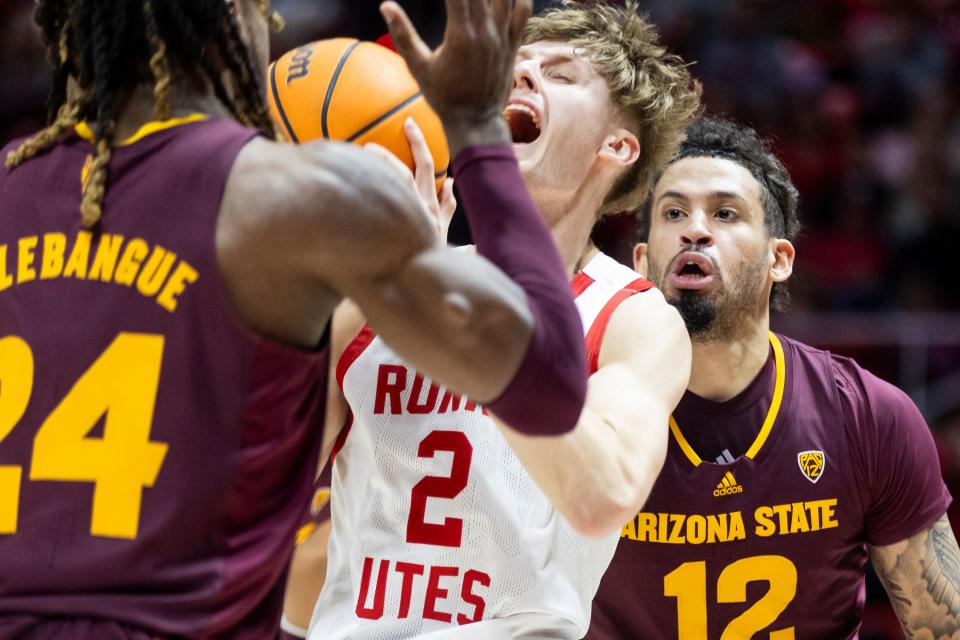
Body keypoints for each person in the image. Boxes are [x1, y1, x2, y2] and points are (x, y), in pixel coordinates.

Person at [0, 0, 595, 636]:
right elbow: (551, 385)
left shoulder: (9, 185)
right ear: (234, 15)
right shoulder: (296, 197)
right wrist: (476, 126)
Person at [292, 2, 701, 638]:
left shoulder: (634, 319)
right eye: (515, 68)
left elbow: (600, 496)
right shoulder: (378, 292)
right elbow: (255, 491)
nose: (523, 78)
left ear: (616, 146)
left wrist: (454, 330)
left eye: (562, 75)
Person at [587, 117, 960, 639]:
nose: (695, 229)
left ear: (778, 259)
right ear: (643, 261)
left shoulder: (869, 416)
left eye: (725, 212)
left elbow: (942, 628)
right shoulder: (581, 409)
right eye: (674, 212)